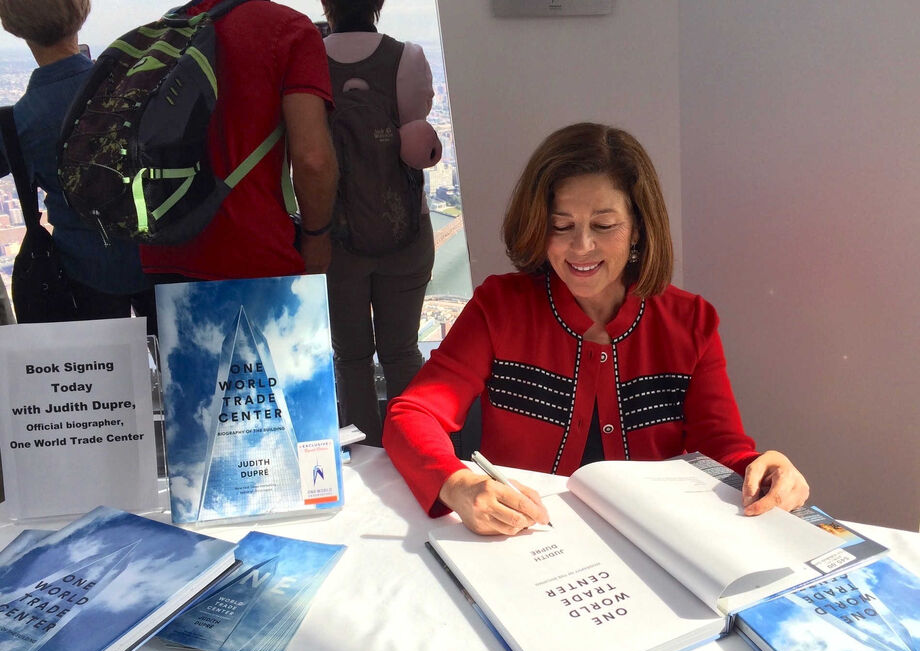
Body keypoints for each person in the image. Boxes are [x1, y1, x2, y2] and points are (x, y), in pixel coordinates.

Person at [383, 123, 810, 535]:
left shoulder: (691, 322)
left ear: (638, 227)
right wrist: (457, 483)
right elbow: (413, 413)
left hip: (653, 546)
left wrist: (765, 471)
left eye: (604, 226)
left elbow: (722, 449)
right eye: (561, 225)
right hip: (524, 541)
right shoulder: (499, 307)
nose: (581, 246)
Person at [139, 0, 338, 282]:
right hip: (254, 255)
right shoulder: (290, 30)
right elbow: (312, 160)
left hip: (166, 249)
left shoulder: (169, 26)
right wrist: (317, 238)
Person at [320, 0, 442, 446]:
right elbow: (419, 138)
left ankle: (362, 456)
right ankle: (414, 452)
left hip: (337, 237)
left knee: (351, 358)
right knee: (402, 351)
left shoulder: (309, 62)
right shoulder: (407, 57)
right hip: (405, 230)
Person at [0, 0, 155, 330]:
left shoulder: (20, 123)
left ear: (11, 24)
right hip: (160, 257)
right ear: (81, 10)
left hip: (84, 273)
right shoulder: (136, 84)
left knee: (96, 364)